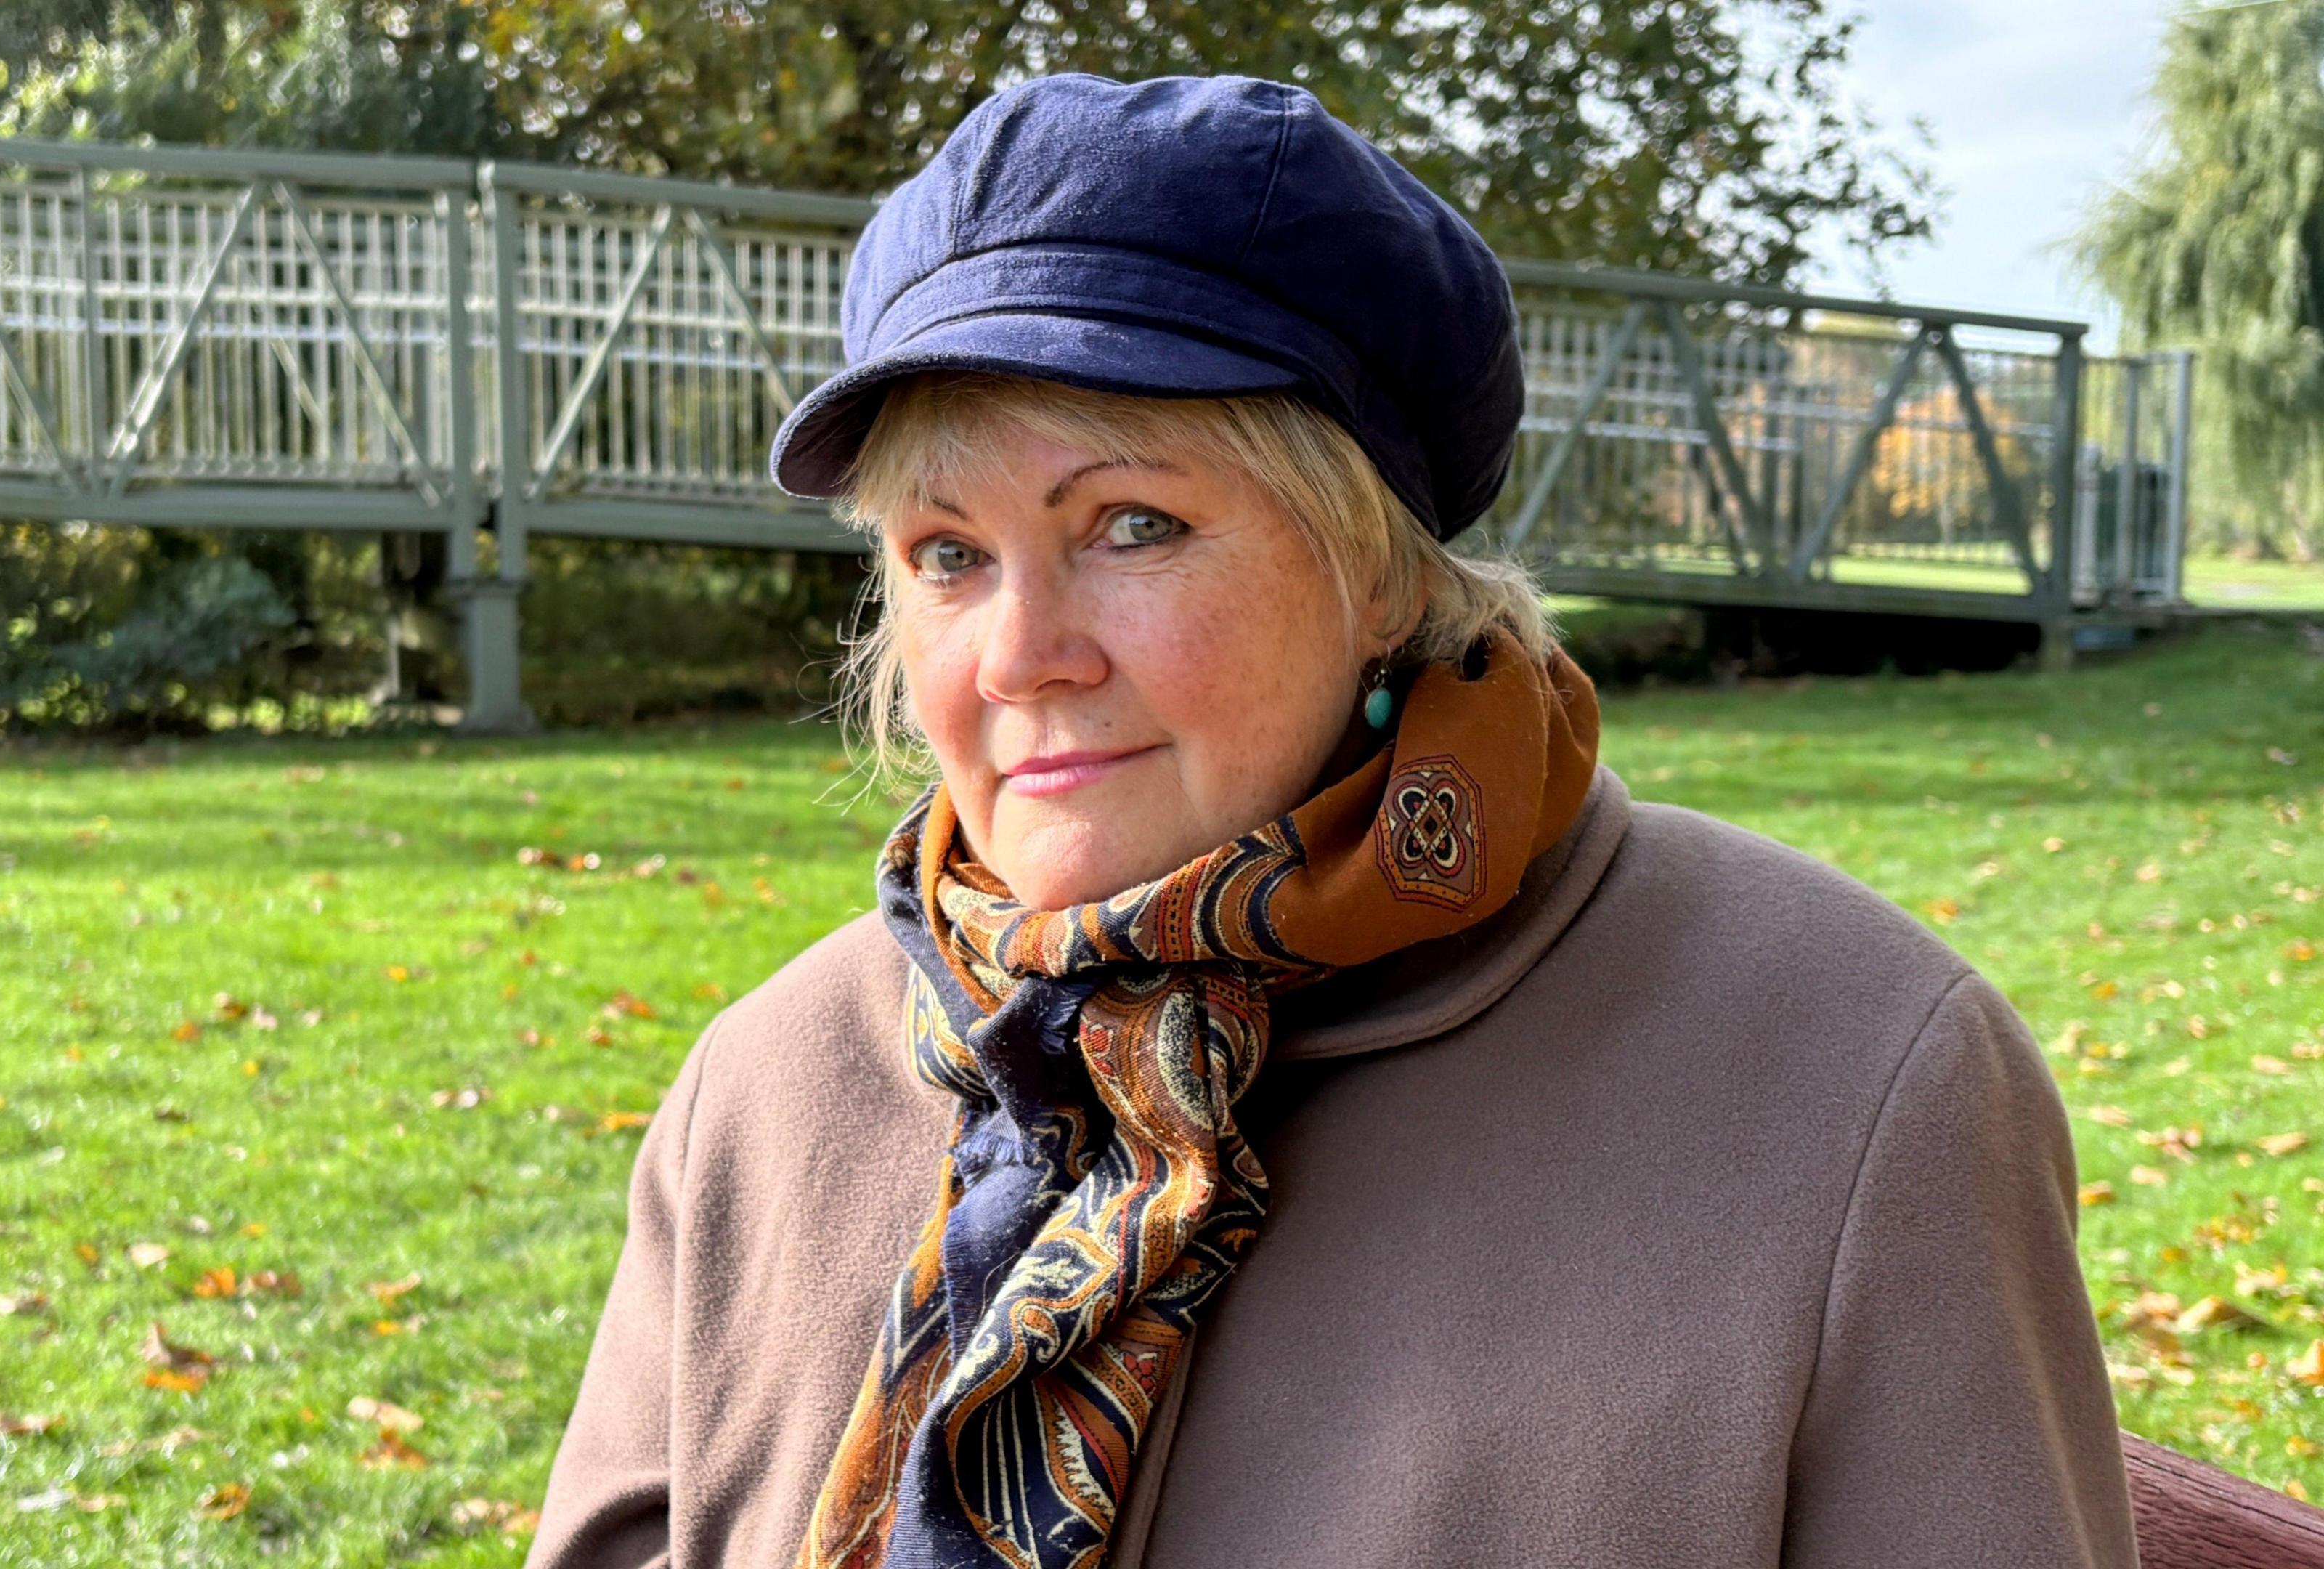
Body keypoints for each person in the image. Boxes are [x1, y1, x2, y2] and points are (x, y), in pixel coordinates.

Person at [528, 73, 2137, 1569]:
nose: (1021, 654)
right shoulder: (766, 1094)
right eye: (948, 553)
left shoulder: (1854, 1081)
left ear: (1378, 568)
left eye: (1132, 525)